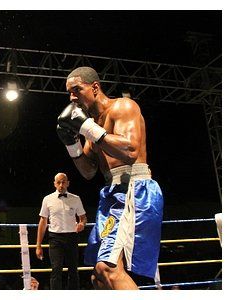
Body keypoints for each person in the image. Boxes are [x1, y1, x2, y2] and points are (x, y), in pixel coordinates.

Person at [56, 66, 164, 289]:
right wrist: (71, 144)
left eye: (77, 89)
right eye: (69, 92)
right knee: (98, 276)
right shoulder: (92, 126)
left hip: (134, 189)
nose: (72, 97)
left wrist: (87, 127)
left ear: (95, 87)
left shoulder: (123, 107)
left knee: (109, 268)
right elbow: (88, 172)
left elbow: (131, 151)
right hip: (112, 194)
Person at [35, 173, 86, 290]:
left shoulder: (76, 199)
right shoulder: (47, 199)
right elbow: (43, 222)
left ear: (68, 183)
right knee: (56, 269)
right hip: (55, 238)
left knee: (73, 270)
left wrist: (82, 224)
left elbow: (83, 217)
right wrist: (38, 245)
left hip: (72, 237)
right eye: (58, 182)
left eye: (63, 182)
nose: (61, 185)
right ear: (54, 184)